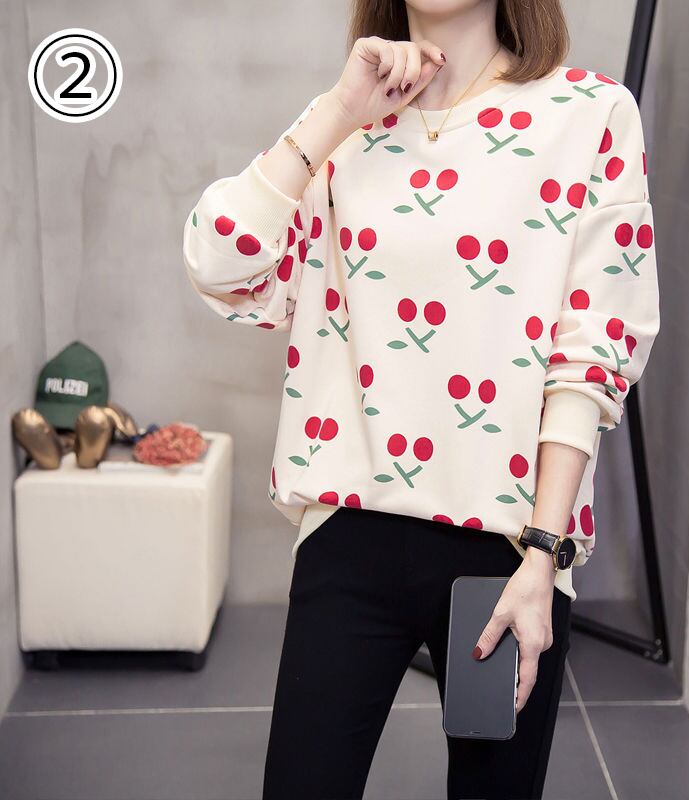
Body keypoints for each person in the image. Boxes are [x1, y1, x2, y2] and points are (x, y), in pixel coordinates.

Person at [182, 0, 660, 797]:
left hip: (508, 549)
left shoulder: (589, 114)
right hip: (350, 530)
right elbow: (220, 264)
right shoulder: (348, 120)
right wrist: (338, 113)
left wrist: (543, 555)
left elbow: (592, 351)